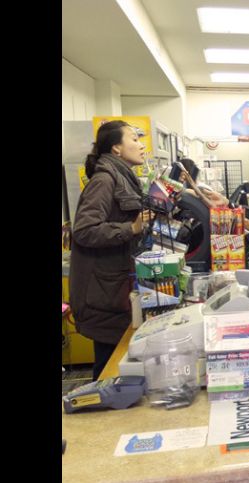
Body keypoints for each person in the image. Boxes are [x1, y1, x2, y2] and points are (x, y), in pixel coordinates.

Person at [69, 120, 147, 381]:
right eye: (134, 139)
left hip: (115, 289)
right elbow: (84, 230)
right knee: (107, 374)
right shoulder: (104, 180)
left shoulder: (122, 177)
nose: (141, 145)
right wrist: (131, 229)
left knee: (115, 368)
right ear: (116, 148)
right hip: (104, 294)